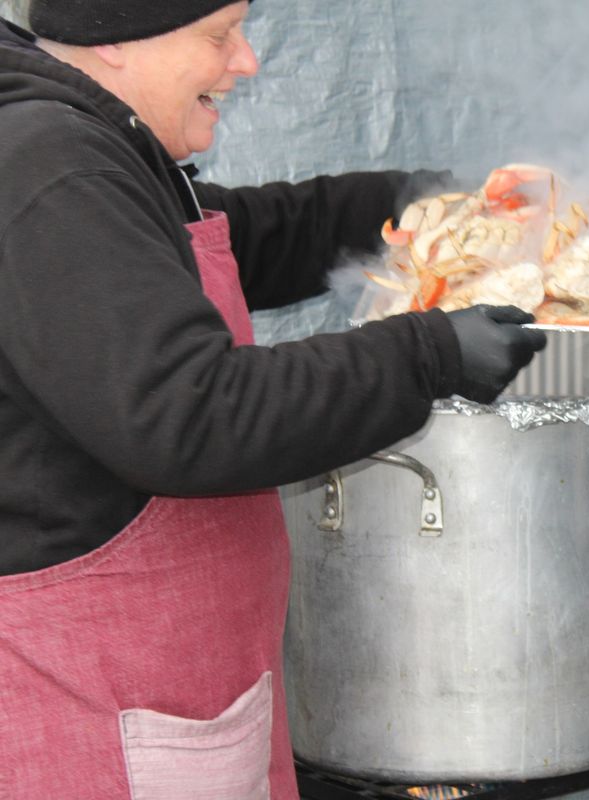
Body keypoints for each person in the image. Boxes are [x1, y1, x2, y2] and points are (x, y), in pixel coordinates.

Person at [0, 1, 547, 796]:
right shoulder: (53, 169)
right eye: (218, 36)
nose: (246, 62)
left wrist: (420, 202)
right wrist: (430, 353)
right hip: (95, 704)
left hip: (167, 690)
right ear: (114, 39)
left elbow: (248, 235)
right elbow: (190, 415)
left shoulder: (98, 149)